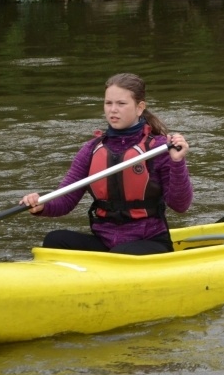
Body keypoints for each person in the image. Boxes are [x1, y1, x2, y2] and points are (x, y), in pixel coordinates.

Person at [20, 73, 193, 254]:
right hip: (105, 243)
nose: (113, 110)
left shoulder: (158, 148)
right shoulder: (91, 149)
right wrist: (42, 205)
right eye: (108, 103)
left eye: (121, 104)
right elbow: (66, 200)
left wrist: (177, 161)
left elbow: (181, 205)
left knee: (123, 252)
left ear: (139, 107)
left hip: (149, 242)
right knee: (55, 239)